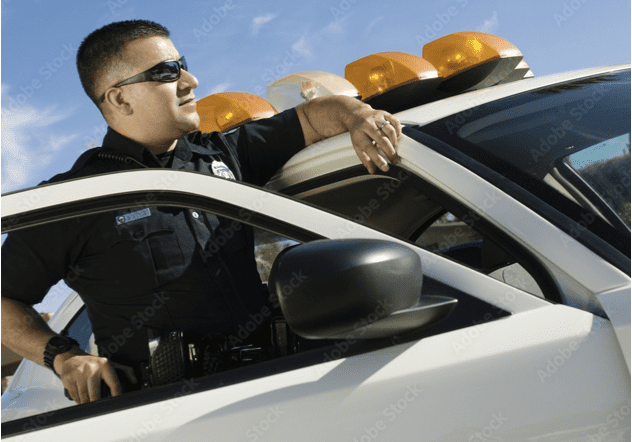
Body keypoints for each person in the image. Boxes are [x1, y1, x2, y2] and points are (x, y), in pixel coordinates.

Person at [0, 20, 402, 405]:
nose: (190, 82)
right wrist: (63, 356)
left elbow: (312, 117)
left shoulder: (223, 154)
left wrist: (358, 116)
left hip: (279, 382)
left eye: (184, 66)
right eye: (166, 72)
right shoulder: (78, 196)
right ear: (120, 98)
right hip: (166, 413)